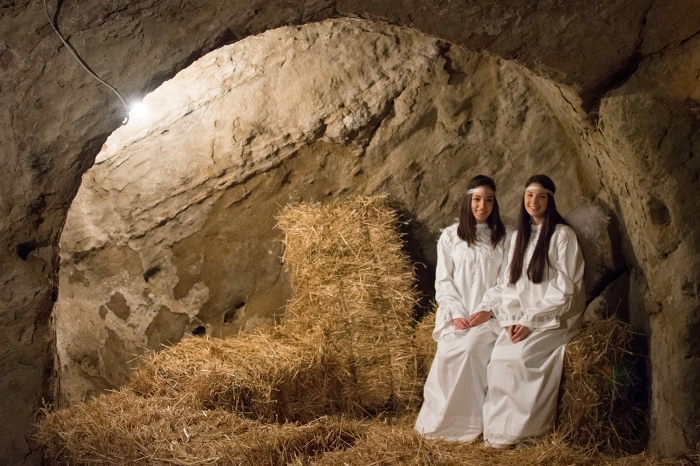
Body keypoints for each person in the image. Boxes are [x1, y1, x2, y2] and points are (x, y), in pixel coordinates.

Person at [475, 174, 585, 448]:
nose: (534, 202)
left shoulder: (562, 236)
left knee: (521, 358)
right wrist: (512, 318)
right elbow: (509, 284)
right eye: (529, 196)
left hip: (552, 319)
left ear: (551, 200)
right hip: (522, 317)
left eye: (541, 196)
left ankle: (525, 433)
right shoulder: (518, 238)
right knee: (499, 357)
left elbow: (565, 288)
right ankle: (499, 433)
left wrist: (531, 320)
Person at [415, 175, 513, 442]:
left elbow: (506, 280)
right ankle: (439, 422)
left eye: (489, 200)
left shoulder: (504, 238)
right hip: (458, 315)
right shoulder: (450, 236)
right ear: (469, 200)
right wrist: (457, 314)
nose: (483, 206)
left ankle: (466, 426)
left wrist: (486, 310)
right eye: (478, 200)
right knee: (448, 352)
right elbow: (444, 281)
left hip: (489, 317)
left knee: (470, 350)